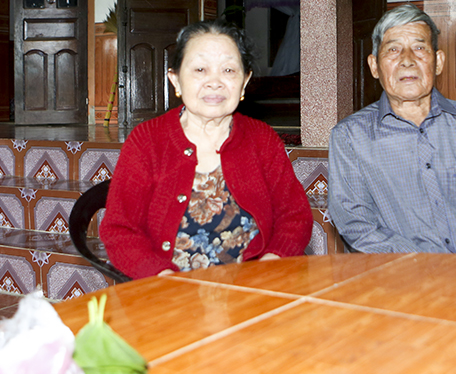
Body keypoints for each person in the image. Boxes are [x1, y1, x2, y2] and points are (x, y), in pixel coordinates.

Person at [100, 19, 313, 279]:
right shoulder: (147, 141)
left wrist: (271, 263)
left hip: (254, 291)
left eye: (229, 70)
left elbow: (295, 216)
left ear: (245, 82)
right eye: (200, 69)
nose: (215, 82)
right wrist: (162, 279)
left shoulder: (262, 139)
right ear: (175, 80)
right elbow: (119, 230)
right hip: (169, 295)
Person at [328, 4, 456, 256]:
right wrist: (427, 270)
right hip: (403, 280)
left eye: (419, 48)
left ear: (438, 61)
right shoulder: (350, 137)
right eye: (393, 50)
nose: (407, 60)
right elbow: (357, 226)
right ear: (374, 66)